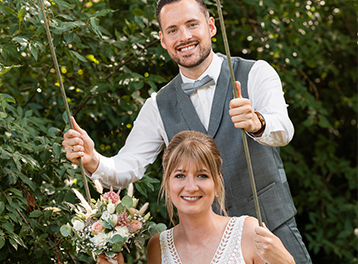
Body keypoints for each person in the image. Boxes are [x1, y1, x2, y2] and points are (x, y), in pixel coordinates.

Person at [63, 0, 311, 262]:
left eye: (192, 25)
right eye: (172, 30)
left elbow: (283, 129)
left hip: (270, 230)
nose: (184, 37)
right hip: (207, 245)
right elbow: (128, 165)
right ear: (162, 39)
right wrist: (92, 159)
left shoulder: (256, 73)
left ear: (211, 26)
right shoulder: (157, 105)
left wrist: (257, 122)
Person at [97, 131, 296, 264]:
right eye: (180, 175)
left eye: (202, 175)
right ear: (167, 183)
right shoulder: (158, 246)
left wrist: (286, 262)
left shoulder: (249, 232)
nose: (191, 187)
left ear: (217, 183)